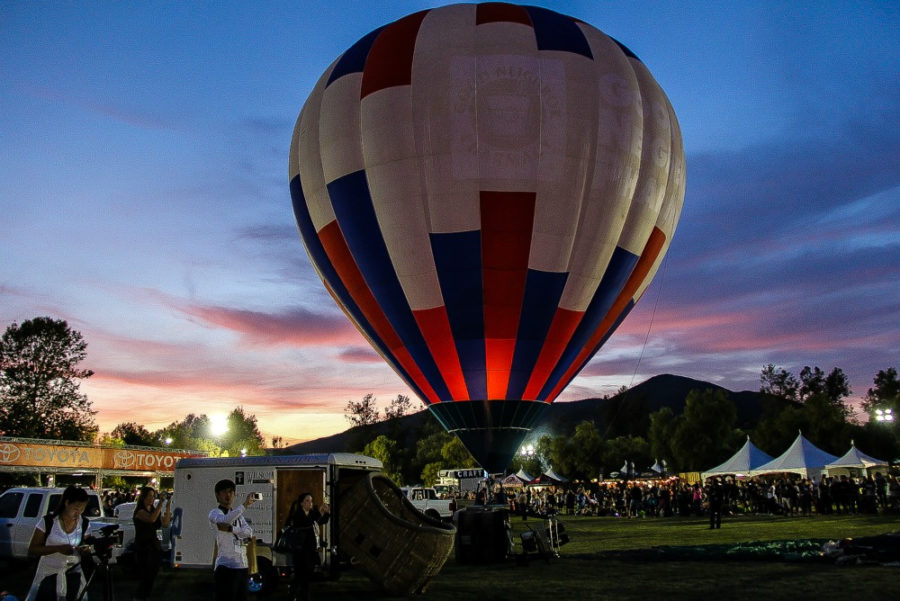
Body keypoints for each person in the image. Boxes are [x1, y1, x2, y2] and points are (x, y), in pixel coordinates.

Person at [25, 485, 95, 601]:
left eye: (82, 509)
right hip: (49, 575)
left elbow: (87, 544)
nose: (78, 513)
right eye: (76, 508)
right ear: (67, 503)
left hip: (73, 575)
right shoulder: (48, 521)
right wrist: (58, 548)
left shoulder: (84, 523)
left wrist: (85, 550)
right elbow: (33, 548)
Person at [209, 479, 257, 601]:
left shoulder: (238, 516)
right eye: (224, 492)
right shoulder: (215, 513)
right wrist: (245, 505)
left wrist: (232, 529)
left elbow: (249, 532)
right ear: (217, 495)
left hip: (242, 565)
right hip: (226, 565)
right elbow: (224, 521)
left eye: (231, 492)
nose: (228, 495)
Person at [284, 492, 330, 601]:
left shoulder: (312, 513)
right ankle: (298, 594)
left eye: (311, 501)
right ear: (301, 503)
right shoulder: (297, 515)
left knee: (306, 575)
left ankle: (296, 592)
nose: (310, 503)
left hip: (310, 551)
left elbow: (321, 521)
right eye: (307, 501)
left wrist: (327, 513)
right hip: (300, 551)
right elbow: (307, 524)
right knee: (301, 575)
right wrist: (319, 512)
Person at [131, 486, 172, 601]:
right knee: (145, 575)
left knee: (152, 574)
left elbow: (165, 523)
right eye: (149, 496)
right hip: (143, 546)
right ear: (143, 497)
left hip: (153, 546)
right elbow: (151, 519)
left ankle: (145, 596)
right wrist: (161, 503)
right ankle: (139, 597)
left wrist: (168, 506)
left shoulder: (154, 510)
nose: (152, 498)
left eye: (153, 496)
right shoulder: (140, 511)